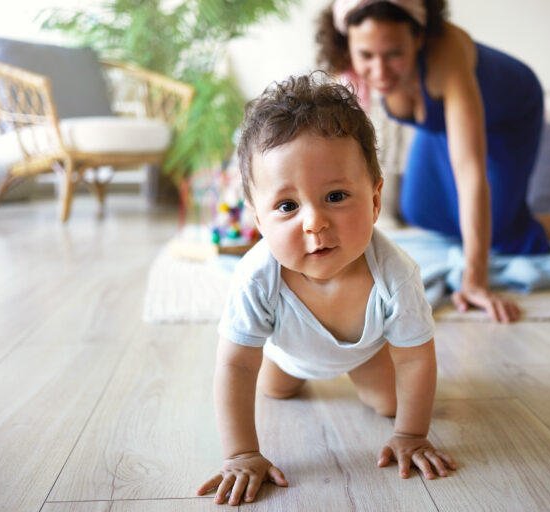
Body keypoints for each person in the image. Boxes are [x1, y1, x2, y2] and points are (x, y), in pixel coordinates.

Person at [196, 73, 457, 506]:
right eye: (287, 206)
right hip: (285, 353)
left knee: (392, 404)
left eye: (336, 196)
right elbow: (238, 366)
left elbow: (414, 358)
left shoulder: (396, 274)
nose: (314, 222)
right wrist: (241, 453)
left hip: (367, 350)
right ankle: (290, 379)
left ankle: (373, 389)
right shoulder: (256, 276)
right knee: (275, 389)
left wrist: (411, 435)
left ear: (375, 201)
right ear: (259, 221)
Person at [316, 0, 550, 323]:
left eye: (394, 53)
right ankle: (482, 231)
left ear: (419, 39)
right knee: (418, 208)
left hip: (508, 116)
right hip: (441, 119)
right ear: (348, 45)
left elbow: (470, 173)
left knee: (499, 235)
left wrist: (475, 280)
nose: (379, 71)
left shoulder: (447, 57)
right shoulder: (350, 73)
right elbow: (336, 152)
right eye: (366, 55)